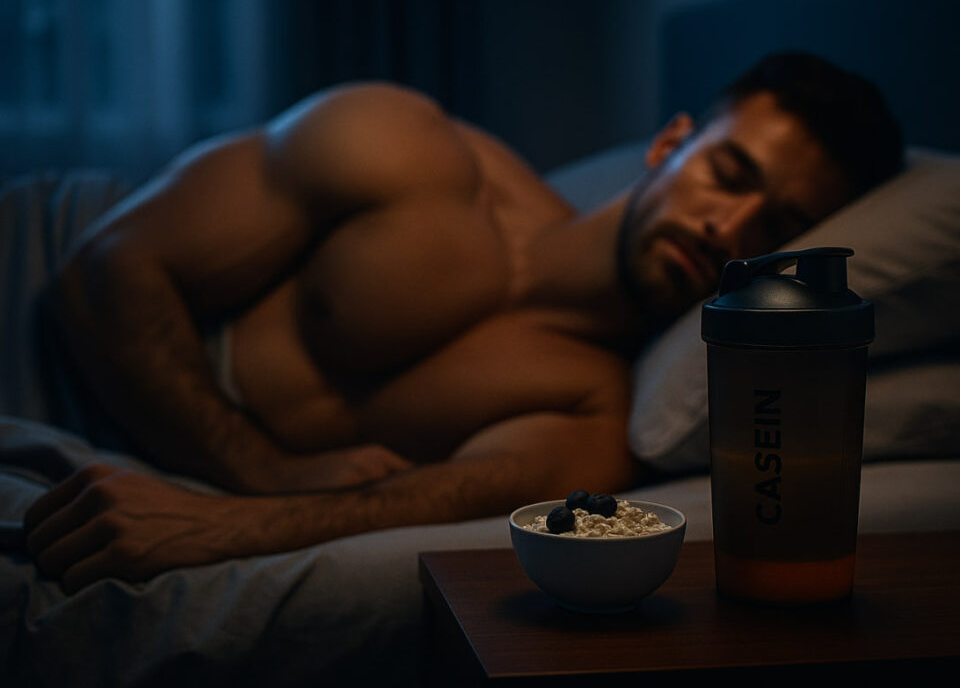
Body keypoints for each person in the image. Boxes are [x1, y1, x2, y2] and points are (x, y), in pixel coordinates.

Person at [24, 51, 902, 592]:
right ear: (671, 144)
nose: (728, 231)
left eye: (780, 227)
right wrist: (261, 468)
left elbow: (392, 506)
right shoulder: (409, 149)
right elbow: (106, 272)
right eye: (730, 173)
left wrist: (214, 520)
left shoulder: (594, 415)